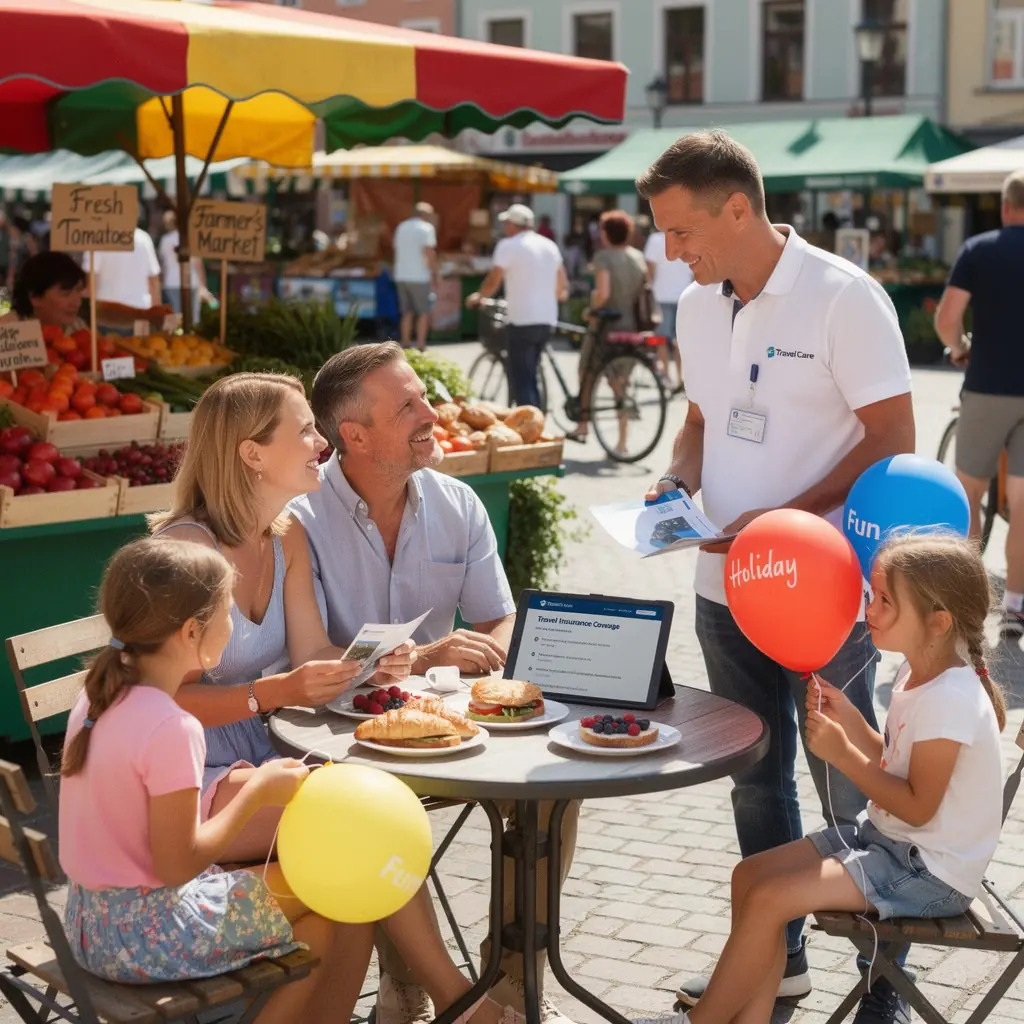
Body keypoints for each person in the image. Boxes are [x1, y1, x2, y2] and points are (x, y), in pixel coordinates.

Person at [637, 129, 915, 1024]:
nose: (670, 252)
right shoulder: (695, 306)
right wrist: (675, 479)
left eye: (681, 231)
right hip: (723, 591)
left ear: (738, 208)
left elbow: (893, 439)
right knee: (754, 775)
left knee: (851, 778)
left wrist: (785, 518)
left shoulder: (844, 296)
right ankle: (781, 960)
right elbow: (698, 420)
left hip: (823, 592)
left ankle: (885, 977)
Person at [59, 538, 514, 1024]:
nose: (232, 626)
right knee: (342, 889)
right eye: (227, 614)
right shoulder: (172, 727)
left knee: (330, 907)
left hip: (93, 924)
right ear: (192, 632)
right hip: (149, 937)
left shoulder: (98, 698)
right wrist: (257, 793)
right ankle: (461, 1005)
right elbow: (178, 864)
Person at [290, 342, 580, 1024]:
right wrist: (425, 657)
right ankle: (408, 987)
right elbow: (304, 661)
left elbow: (499, 618)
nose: (431, 413)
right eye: (408, 406)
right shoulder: (298, 519)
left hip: (448, 730)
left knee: (554, 793)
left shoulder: (457, 502)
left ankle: (510, 986)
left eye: (424, 397)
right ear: (355, 436)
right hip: (334, 742)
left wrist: (490, 667)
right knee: (379, 805)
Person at [641, 533, 1006, 1024]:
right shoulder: (917, 674)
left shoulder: (951, 700)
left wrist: (843, 755)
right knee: (749, 877)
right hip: (890, 842)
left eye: (885, 601)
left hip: (929, 871)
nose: (869, 609)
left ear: (937, 622)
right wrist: (851, 719)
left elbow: (918, 807)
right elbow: (895, 761)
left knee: (769, 899)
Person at [149, 372, 415, 862]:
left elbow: (312, 650)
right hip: (181, 773)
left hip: (265, 749)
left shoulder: (285, 536)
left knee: (378, 809)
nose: (323, 443)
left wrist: (369, 663)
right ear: (253, 454)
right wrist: (274, 692)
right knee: (363, 824)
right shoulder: (185, 552)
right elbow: (161, 702)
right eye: (305, 431)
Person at [934, 168, 1024, 640]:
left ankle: (968, 609)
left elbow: (947, 317)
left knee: (968, 494)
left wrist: (959, 347)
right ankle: (1015, 609)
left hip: (988, 384)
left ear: (1006, 206)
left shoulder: (979, 249)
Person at [467, 203, 568, 409]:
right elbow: (562, 285)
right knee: (531, 373)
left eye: (506, 223)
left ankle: (530, 421)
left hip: (522, 319)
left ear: (513, 224)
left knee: (522, 378)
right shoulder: (549, 245)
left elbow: (493, 281)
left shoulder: (508, 246)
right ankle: (537, 414)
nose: (505, 227)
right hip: (547, 319)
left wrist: (478, 296)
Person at [567, 210, 648, 448]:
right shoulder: (638, 257)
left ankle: (583, 425)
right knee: (621, 383)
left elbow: (603, 293)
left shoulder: (604, 257)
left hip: (607, 326)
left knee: (587, 372)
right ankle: (622, 442)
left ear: (605, 233)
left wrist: (590, 310)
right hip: (631, 326)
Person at [0, 251, 167, 332]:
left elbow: (101, 310)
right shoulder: (8, 330)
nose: (77, 301)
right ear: (35, 297)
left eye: (78, 291)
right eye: (65, 293)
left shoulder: (77, 326)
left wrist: (146, 315)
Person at [644, 227, 692, 393]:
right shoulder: (687, 237)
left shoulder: (655, 240)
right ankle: (681, 378)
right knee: (680, 341)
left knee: (661, 340)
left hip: (661, 295)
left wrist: (649, 291)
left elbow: (649, 269)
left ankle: (665, 377)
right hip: (684, 294)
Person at [393, 202, 438, 352]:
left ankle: (405, 343)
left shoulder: (401, 227)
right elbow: (429, 253)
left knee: (406, 312)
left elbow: (396, 248)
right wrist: (435, 273)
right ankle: (421, 345)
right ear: (425, 215)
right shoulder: (427, 228)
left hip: (401, 275)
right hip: (419, 276)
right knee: (423, 312)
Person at [83, 224, 162, 310]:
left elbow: (92, 281)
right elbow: (153, 279)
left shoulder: (98, 239)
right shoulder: (144, 238)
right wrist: (157, 311)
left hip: (108, 310)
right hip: (140, 308)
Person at [158, 209, 211, 324]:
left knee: (175, 319)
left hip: (170, 283)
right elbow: (198, 264)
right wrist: (203, 286)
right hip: (191, 282)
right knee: (193, 318)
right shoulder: (192, 238)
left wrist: (160, 284)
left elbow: (163, 265)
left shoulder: (165, 240)